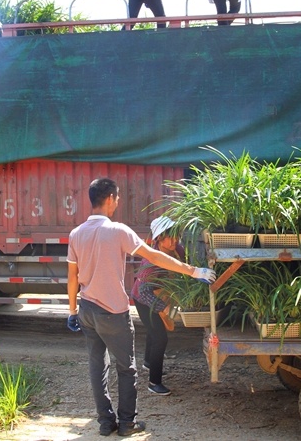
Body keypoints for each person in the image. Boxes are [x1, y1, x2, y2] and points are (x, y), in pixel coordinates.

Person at [66, 178, 216, 437]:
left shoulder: (76, 234)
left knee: (97, 366)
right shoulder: (118, 231)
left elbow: (72, 276)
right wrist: (194, 271)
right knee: (126, 368)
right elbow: (154, 255)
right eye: (117, 197)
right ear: (110, 198)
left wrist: (72, 312)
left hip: (87, 309)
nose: (118, 202)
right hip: (113, 312)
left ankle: (105, 423)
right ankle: (127, 423)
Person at [130, 216, 183, 396]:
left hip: (159, 294)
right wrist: (164, 308)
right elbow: (144, 292)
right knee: (160, 337)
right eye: (169, 237)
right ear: (159, 238)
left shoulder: (178, 250)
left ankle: (148, 362)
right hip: (144, 300)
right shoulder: (151, 261)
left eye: (176, 236)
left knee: (154, 332)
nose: (174, 241)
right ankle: (154, 382)